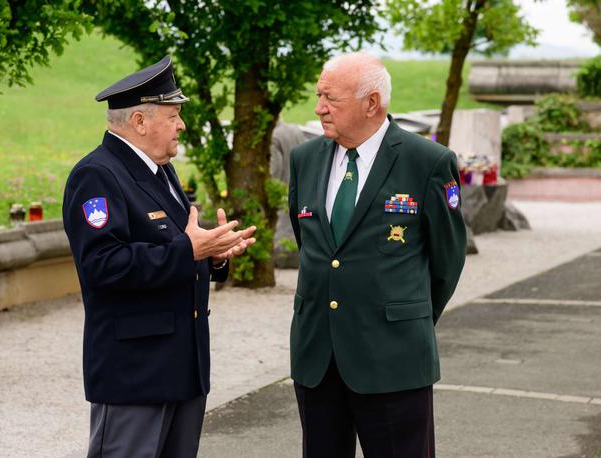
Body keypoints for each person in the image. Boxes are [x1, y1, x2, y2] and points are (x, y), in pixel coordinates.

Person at [62, 55, 256, 458]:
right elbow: (103, 265)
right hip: (135, 374)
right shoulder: (97, 175)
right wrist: (190, 250)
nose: (182, 124)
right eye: (174, 115)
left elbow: (178, 246)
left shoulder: (160, 170)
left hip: (182, 368)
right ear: (139, 122)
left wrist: (213, 254)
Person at [288, 52, 466, 458]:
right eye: (319, 96)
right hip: (318, 356)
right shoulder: (305, 159)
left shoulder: (428, 162)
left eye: (331, 98)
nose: (319, 108)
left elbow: (447, 260)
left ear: (372, 103)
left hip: (394, 359)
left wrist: (404, 316)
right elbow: (315, 246)